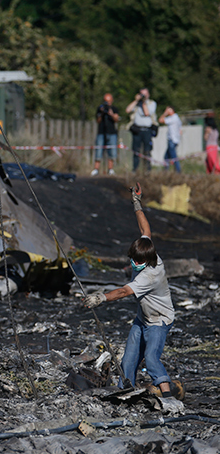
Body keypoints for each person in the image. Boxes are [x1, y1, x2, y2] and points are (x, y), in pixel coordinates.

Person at [83, 183, 175, 397]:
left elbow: (123, 292)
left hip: (159, 321)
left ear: (147, 260)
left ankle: (169, 397)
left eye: (137, 260)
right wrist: (136, 202)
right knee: (128, 359)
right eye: (132, 258)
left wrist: (100, 298)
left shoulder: (150, 275)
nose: (133, 263)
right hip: (142, 318)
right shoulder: (147, 248)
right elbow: (146, 230)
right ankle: (126, 390)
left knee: (151, 358)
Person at [125, 88, 157, 172]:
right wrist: (136, 100)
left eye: (144, 94)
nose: (143, 96)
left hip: (147, 130)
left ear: (148, 95)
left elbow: (147, 113)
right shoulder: (137, 104)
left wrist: (143, 102)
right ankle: (135, 169)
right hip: (137, 130)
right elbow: (127, 110)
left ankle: (147, 169)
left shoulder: (151, 103)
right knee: (136, 151)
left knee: (147, 150)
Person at [91, 93, 120, 176]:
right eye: (106, 101)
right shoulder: (100, 109)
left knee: (112, 151)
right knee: (99, 150)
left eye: (109, 101)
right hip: (101, 132)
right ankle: (96, 169)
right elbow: (98, 120)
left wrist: (111, 114)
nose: (107, 103)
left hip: (111, 133)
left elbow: (116, 119)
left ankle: (110, 169)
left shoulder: (114, 109)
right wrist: (102, 113)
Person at [158, 106, 182, 173]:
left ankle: (178, 171)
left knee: (174, 157)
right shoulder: (176, 118)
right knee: (166, 157)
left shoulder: (173, 118)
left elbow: (160, 120)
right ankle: (166, 171)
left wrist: (165, 113)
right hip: (174, 140)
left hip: (172, 140)